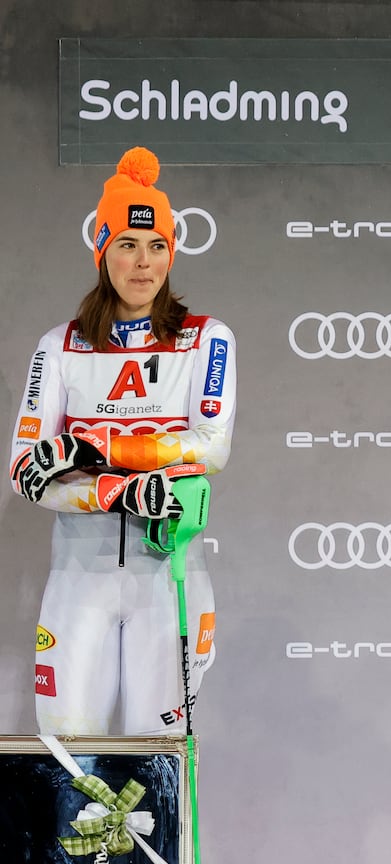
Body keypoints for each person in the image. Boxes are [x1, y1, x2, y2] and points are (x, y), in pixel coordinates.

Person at [10, 146, 236, 736]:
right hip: (77, 580)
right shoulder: (59, 346)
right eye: (128, 245)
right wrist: (117, 491)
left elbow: (209, 446)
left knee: (159, 764)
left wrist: (87, 451)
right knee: (65, 759)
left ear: (172, 253)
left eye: (157, 245)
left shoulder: (205, 339)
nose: (144, 263)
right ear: (102, 251)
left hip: (170, 578)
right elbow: (25, 471)